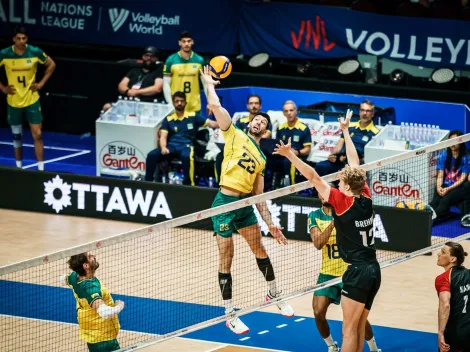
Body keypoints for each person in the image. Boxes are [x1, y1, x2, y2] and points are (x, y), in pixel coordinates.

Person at [275, 110, 380, 352]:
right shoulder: (365, 196)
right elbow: (355, 164)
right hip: (374, 269)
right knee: (358, 324)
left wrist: (289, 154)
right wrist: (345, 130)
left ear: (346, 186)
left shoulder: (342, 202)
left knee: (348, 330)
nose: (338, 182)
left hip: (356, 271)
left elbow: (312, 176)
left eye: (341, 180)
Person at [201, 65, 294, 335]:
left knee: (260, 251)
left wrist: (272, 225)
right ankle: (230, 313)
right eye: (256, 119)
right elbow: (216, 105)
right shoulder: (233, 132)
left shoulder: (262, 159)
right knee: (226, 258)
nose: (258, 122)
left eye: (263, 123)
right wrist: (209, 83)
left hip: (244, 208)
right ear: (250, 120)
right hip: (223, 204)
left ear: (265, 132)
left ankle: (274, 294)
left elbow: (260, 197)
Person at [309, 193, 381, 352]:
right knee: (318, 311)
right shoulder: (314, 216)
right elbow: (318, 243)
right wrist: (334, 222)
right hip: (327, 273)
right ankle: (331, 346)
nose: (323, 196)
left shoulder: (346, 211)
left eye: (326, 192)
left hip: (350, 272)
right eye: (320, 193)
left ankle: (374, 348)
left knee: (357, 318)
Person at [0, 26, 56, 170]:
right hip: (14, 101)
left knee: (37, 134)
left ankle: (41, 169)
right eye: (18, 38)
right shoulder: (5, 54)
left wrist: (41, 83)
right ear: (13, 39)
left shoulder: (34, 51)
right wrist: (3, 88)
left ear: (27, 39)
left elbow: (51, 65)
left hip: (32, 99)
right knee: (17, 136)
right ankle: (19, 167)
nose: (21, 41)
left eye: (24, 38)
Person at [145, 91, 218, 185]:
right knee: (151, 155)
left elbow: (212, 123)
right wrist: (163, 147)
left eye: (181, 101)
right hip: (171, 147)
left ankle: (189, 184)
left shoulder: (193, 116)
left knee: (186, 156)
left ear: (185, 103)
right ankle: (147, 183)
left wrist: (225, 123)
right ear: (173, 103)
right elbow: (163, 137)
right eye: (177, 101)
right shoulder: (168, 119)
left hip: (186, 146)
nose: (179, 103)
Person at [60, 252, 125, 352]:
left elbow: (63, 279)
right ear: (86, 266)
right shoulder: (91, 288)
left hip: (93, 335)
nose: (94, 256)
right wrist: (119, 306)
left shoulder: (74, 276)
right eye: (90, 257)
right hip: (103, 339)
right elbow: (105, 312)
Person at [215, 94, 271, 182]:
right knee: (220, 155)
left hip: (257, 151)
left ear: (260, 106)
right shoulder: (241, 121)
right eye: (251, 103)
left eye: (256, 103)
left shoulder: (266, 122)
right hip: (239, 149)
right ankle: (220, 182)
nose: (253, 106)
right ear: (247, 105)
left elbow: (265, 136)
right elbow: (234, 134)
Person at [315, 100, 379, 177]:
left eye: (368, 111)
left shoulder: (376, 133)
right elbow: (339, 146)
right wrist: (332, 155)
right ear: (359, 112)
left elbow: (370, 156)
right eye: (362, 110)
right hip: (342, 161)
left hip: (358, 165)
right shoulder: (349, 126)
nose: (364, 113)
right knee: (320, 166)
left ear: (373, 113)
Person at [103, 46, 163, 111]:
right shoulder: (134, 71)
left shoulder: (159, 71)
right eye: (146, 55)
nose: (149, 58)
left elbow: (157, 88)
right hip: (128, 101)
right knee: (107, 106)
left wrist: (137, 92)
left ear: (157, 59)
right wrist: (128, 91)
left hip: (146, 103)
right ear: (142, 56)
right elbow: (121, 85)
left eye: (152, 56)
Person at [435, 241, 470, 352]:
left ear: (452, 259)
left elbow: (445, 305)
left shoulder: (444, 278)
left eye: (443, 252)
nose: (438, 253)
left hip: (455, 333)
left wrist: (440, 333)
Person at [163, 31, 208, 114]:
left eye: (189, 41)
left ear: (192, 42)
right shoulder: (171, 60)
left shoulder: (199, 60)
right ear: (179, 43)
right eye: (184, 41)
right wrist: (169, 103)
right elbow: (166, 84)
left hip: (194, 107)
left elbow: (206, 84)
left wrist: (210, 102)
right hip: (177, 106)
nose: (186, 44)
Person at [429, 130, 469, 221]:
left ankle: (430, 220)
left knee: (444, 201)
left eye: (455, 141)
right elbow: (440, 175)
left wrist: (448, 189)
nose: (453, 144)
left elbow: (462, 179)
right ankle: (424, 217)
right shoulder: (444, 155)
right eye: (451, 141)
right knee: (434, 202)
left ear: (461, 142)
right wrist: (439, 187)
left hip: (458, 187)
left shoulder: (465, 158)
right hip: (445, 184)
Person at [269, 100, 311, 186]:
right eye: (286, 111)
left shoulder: (304, 128)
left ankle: (290, 187)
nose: (289, 113)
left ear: (296, 111)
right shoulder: (281, 128)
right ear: (283, 113)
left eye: (291, 110)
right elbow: (277, 145)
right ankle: (270, 188)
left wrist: (297, 152)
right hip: (282, 156)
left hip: (297, 157)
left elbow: (307, 149)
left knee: (289, 161)